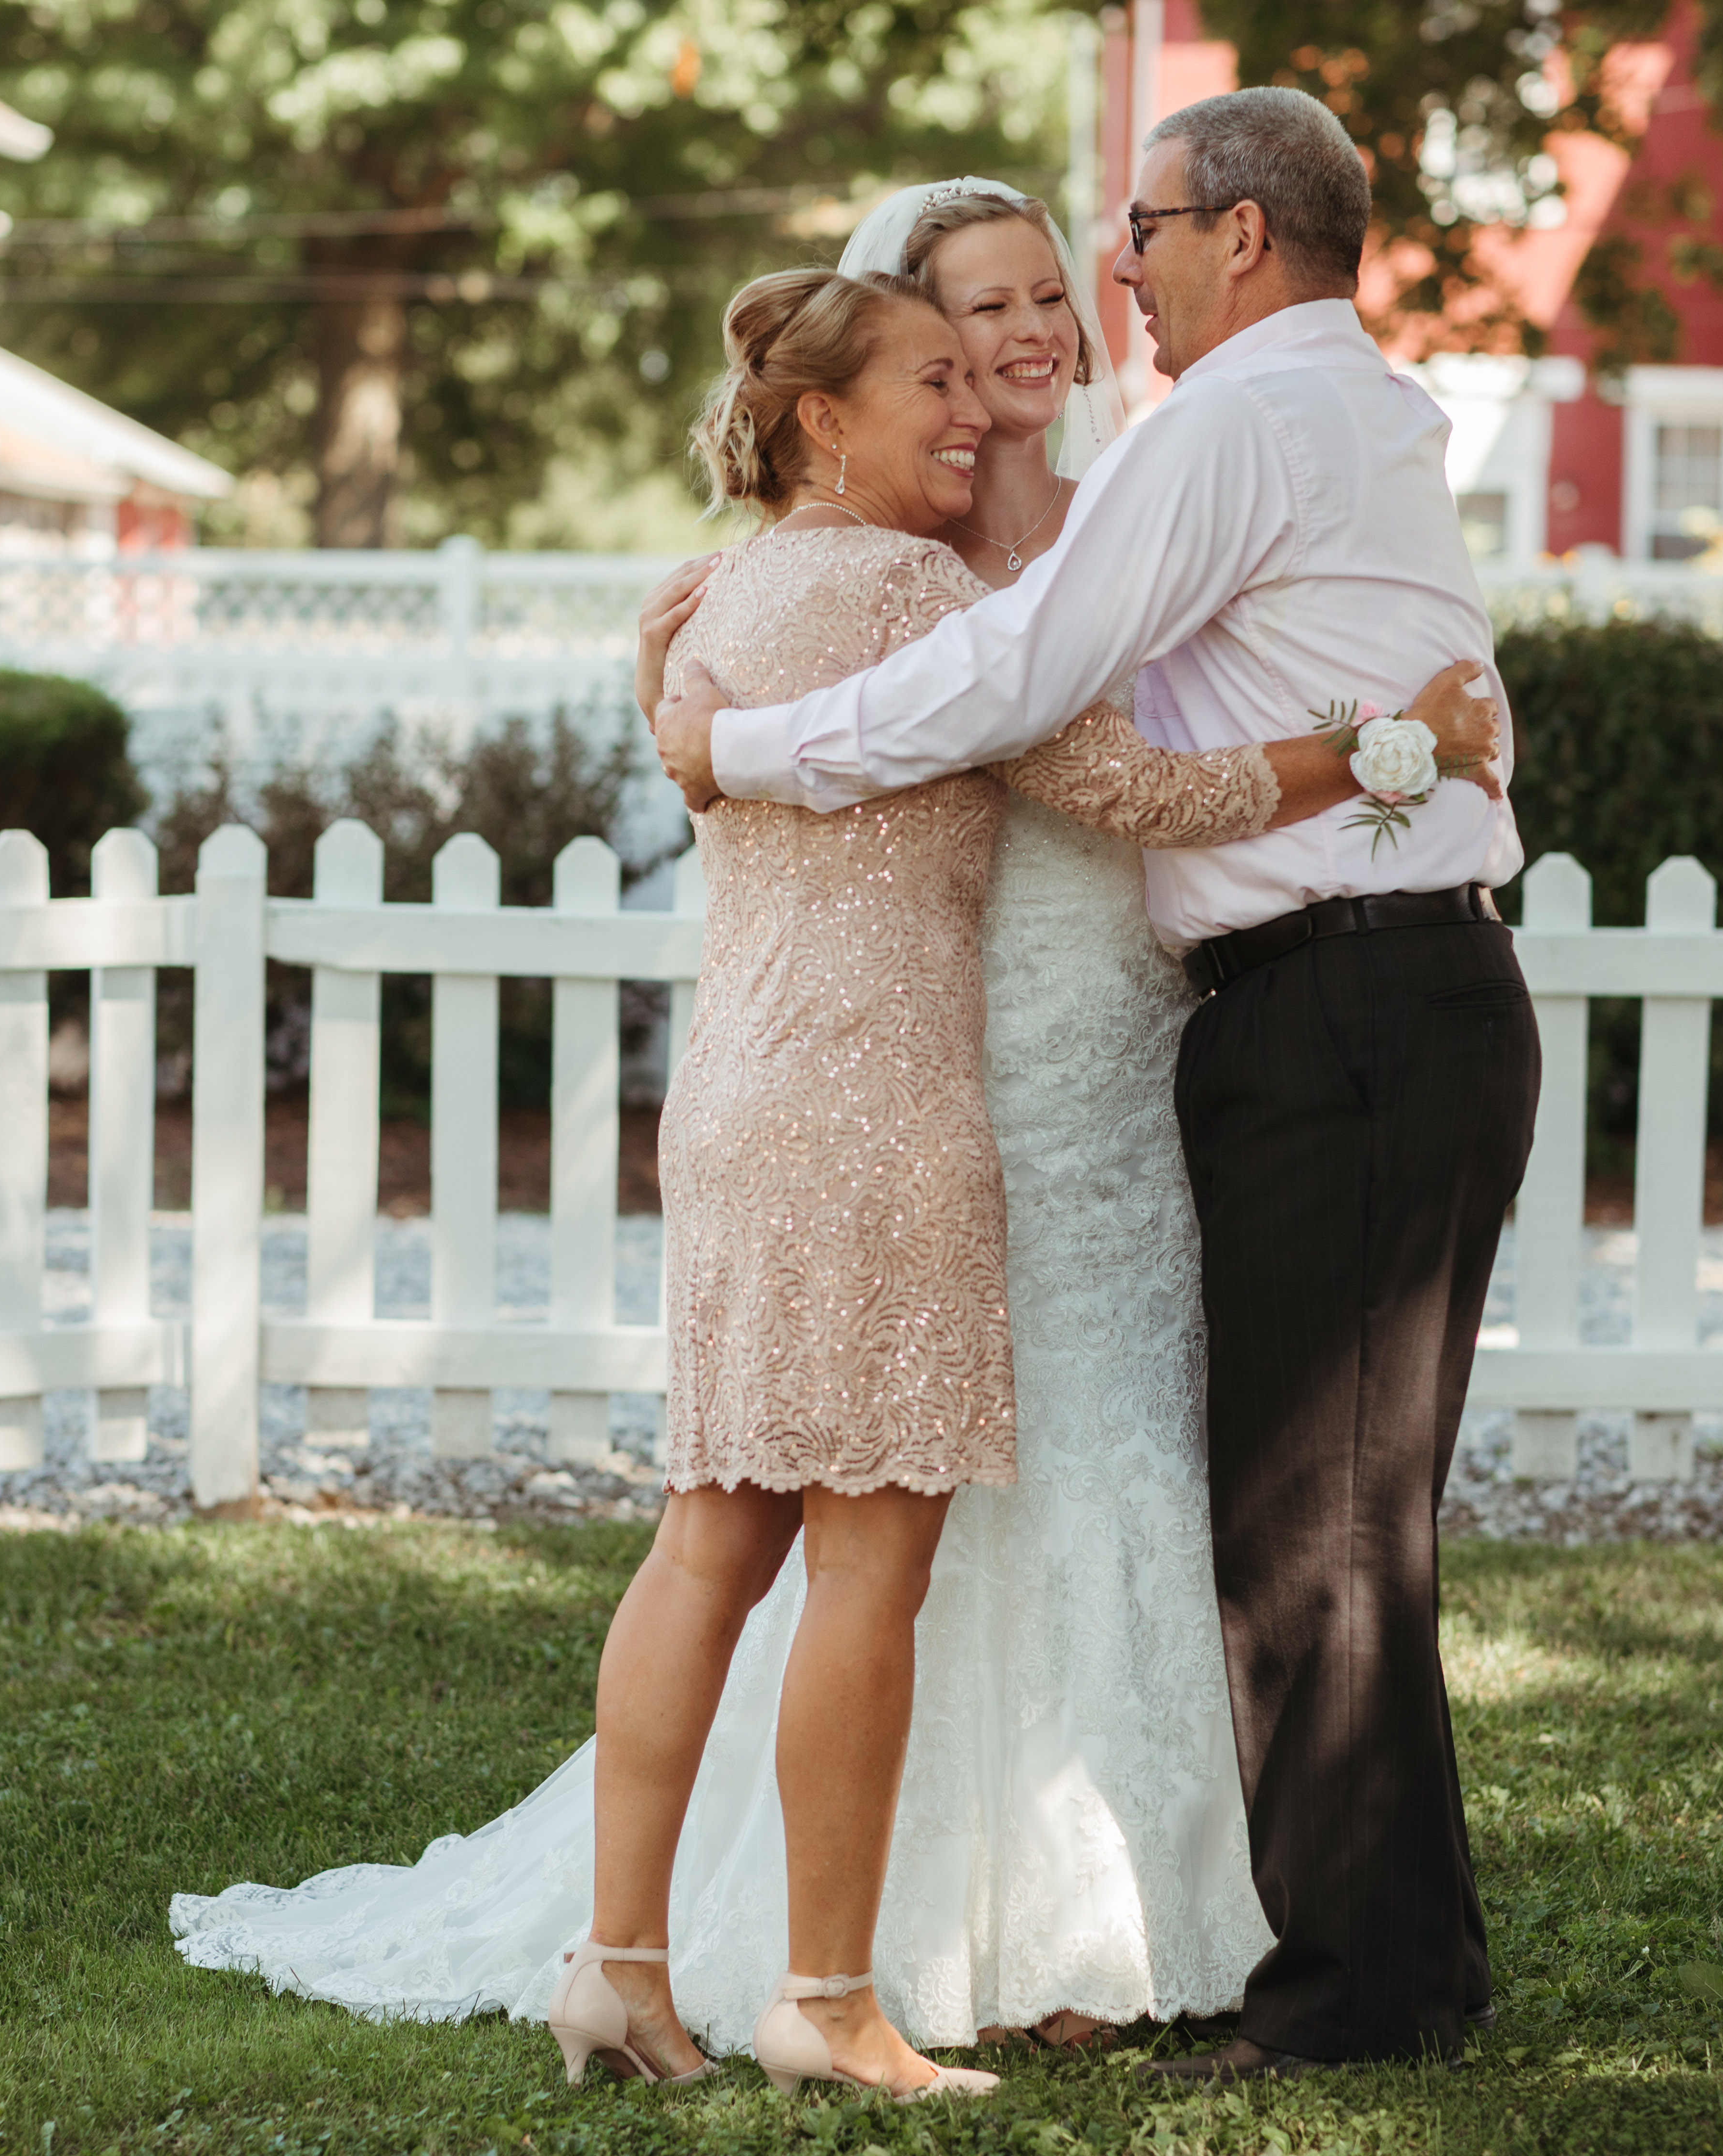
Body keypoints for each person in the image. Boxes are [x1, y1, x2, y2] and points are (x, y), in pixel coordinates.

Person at [172, 258, 1495, 2085]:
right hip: (882, 1122)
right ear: (822, 418)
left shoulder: (715, 599)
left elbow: (711, 768)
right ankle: (826, 2001)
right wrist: (1400, 742)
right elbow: (1150, 797)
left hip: (736, 1106)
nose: (970, 407)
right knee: (873, 1566)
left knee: (711, 1535)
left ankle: (620, 1971)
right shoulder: (919, 595)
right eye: (929, 381)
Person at [651, 91, 1542, 2081]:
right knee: (1343, 1515)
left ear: (1241, 235)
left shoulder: (1223, 428)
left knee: (1314, 1520)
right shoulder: (1347, 409)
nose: (1105, 281)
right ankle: (1398, 1958)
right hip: (1307, 1001)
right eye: (979, 317)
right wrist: (1388, 748)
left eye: (1130, 237)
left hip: (1332, 1002)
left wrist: (742, 746)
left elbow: (1027, 684)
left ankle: (1357, 1987)